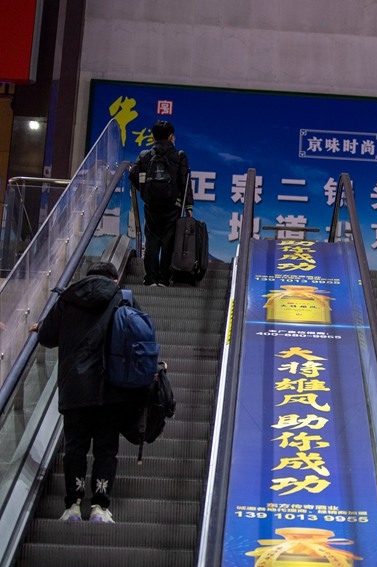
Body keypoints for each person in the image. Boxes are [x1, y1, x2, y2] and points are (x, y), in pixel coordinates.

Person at [30, 262, 144, 523]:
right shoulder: (123, 298)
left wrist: (41, 327)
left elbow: (47, 337)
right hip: (111, 390)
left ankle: (72, 506)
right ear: (115, 280)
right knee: (105, 449)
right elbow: (138, 339)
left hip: (74, 389)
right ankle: (100, 508)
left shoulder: (67, 299)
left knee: (75, 449)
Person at [129, 120, 193, 287]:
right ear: (171, 136)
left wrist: (145, 191)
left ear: (153, 137)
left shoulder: (145, 155)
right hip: (173, 205)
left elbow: (133, 174)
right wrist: (189, 206)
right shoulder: (179, 155)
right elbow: (185, 181)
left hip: (151, 205)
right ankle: (164, 279)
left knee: (151, 240)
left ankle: (150, 278)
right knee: (168, 241)